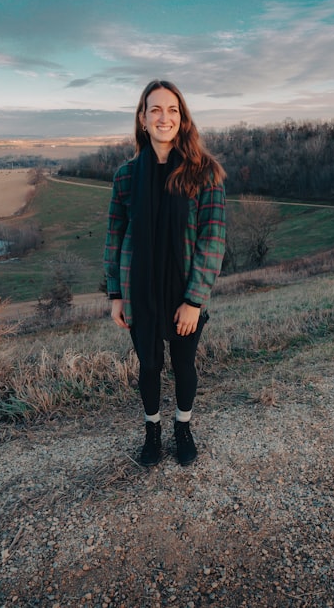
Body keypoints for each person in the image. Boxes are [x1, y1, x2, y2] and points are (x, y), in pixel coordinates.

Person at [103, 79, 227, 467]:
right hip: (139, 290)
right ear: (142, 119)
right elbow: (115, 236)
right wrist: (115, 295)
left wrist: (194, 300)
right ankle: (152, 433)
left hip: (183, 291)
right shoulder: (126, 175)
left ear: (183, 119)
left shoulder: (203, 172)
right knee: (150, 366)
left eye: (172, 110)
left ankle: (183, 428)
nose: (164, 117)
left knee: (184, 365)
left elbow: (213, 240)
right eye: (155, 109)